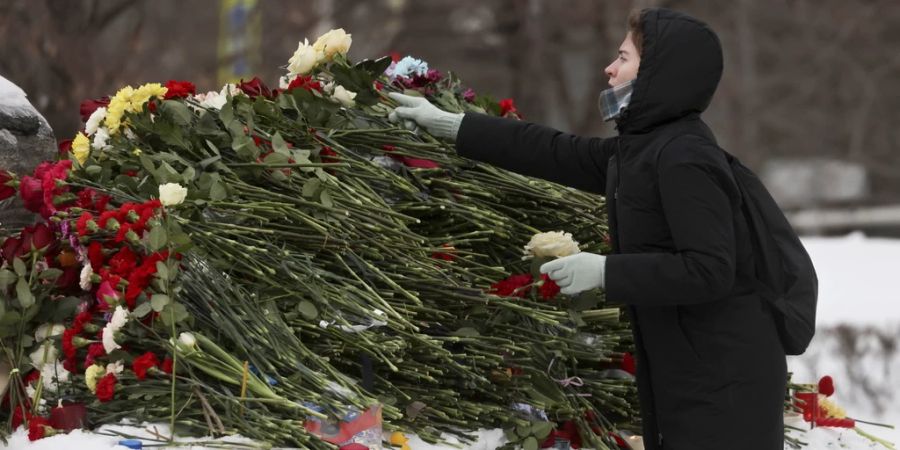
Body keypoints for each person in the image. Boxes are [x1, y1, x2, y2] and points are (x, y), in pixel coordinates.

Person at [388, 7, 787, 450]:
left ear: (657, 73)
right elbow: (556, 151)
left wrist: (605, 271)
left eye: (624, 57)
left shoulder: (684, 158)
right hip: (693, 370)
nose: (609, 68)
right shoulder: (643, 150)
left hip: (724, 386)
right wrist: (453, 125)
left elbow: (710, 269)